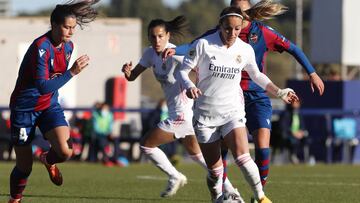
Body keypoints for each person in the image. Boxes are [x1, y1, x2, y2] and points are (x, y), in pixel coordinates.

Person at [167, 0, 324, 196]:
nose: (232, 31)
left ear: (247, 14)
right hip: (214, 105)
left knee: (253, 149)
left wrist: (306, 76)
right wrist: (177, 52)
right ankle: (223, 193)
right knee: (217, 166)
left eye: (241, 13)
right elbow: (192, 49)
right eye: (234, 11)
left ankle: (260, 195)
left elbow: (270, 65)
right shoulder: (213, 36)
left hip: (249, 98)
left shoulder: (257, 37)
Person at [121, 16, 241, 200]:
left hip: (183, 115)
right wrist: (127, 73)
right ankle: (231, 190)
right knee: (198, 156)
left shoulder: (176, 53)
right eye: (153, 37)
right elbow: (132, 76)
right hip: (180, 114)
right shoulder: (149, 54)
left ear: (168, 35)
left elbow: (201, 67)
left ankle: (175, 176)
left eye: (161, 36)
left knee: (146, 145)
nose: (157, 40)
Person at [8, 1, 98, 202]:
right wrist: (72, 72)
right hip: (25, 109)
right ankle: (15, 198)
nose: (71, 32)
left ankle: (48, 159)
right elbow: (43, 86)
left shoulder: (69, 46)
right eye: (67, 27)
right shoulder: (41, 47)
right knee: (24, 166)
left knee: (66, 151)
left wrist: (69, 73)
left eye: (74, 28)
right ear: (54, 25)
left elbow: (50, 87)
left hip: (48, 106)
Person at [280, 100, 310, 164]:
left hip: (298, 134)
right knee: (293, 140)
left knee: (306, 139)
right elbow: (284, 127)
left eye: (298, 103)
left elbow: (302, 126)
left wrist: (301, 132)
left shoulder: (299, 114)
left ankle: (306, 158)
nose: (296, 104)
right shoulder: (286, 113)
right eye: (295, 102)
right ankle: (293, 155)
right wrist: (293, 133)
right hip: (288, 135)